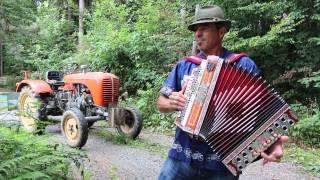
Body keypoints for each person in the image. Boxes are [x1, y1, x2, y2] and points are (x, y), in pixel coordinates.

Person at [157, 5, 288, 180]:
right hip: (182, 158)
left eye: (204, 28)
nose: (197, 34)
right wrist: (171, 103)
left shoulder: (243, 65)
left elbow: (261, 112)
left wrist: (274, 143)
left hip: (223, 164)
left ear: (221, 32)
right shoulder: (185, 65)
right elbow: (161, 102)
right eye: (196, 29)